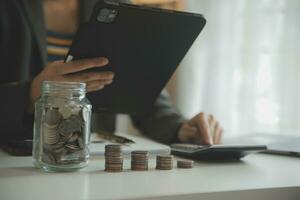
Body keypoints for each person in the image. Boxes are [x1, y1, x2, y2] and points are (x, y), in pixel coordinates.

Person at [0, 0, 222, 146]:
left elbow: (140, 88)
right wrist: (31, 94)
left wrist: (181, 129)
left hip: (91, 165)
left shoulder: (116, 5)